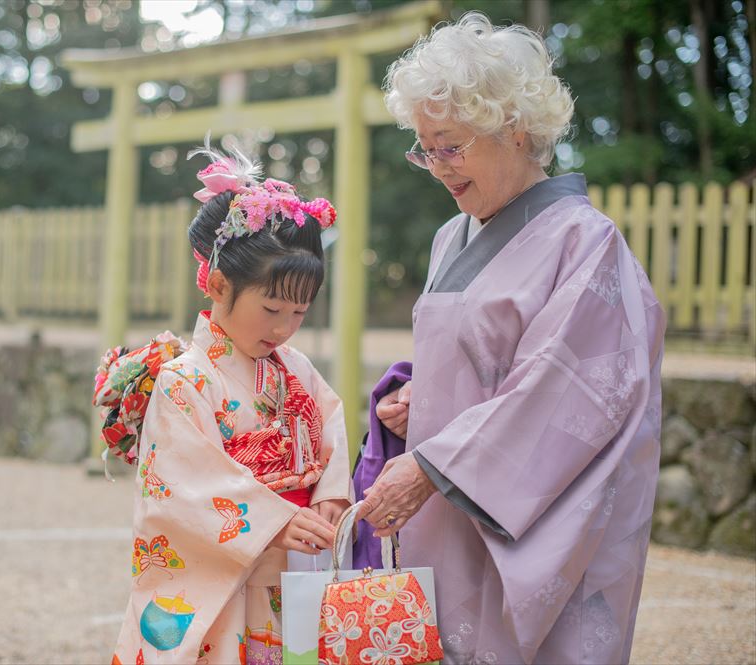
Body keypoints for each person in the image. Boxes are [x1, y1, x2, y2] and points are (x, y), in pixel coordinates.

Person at [354, 12, 666, 665]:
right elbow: (475, 357)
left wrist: (435, 463)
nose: (436, 166)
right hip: (449, 507)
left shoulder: (586, 242)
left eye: (450, 145)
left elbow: (570, 390)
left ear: (515, 131)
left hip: (527, 508)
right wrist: (419, 400)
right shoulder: (451, 237)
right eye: (424, 147)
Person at [99, 139, 351, 665]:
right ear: (218, 284)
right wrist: (274, 519)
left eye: (300, 312)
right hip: (234, 570)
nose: (285, 328)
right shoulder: (184, 380)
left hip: (292, 566)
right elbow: (181, 487)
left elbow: (329, 418)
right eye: (273, 308)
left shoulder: (295, 368)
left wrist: (330, 493)